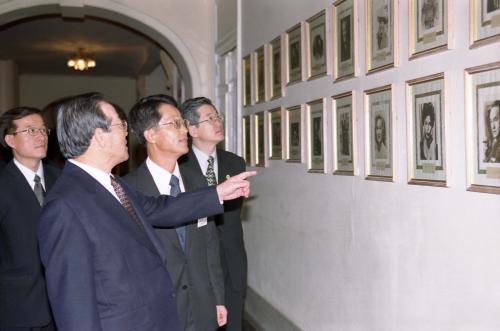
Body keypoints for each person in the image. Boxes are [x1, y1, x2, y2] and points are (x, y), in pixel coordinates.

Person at [37, 92, 255, 331]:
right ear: (99, 136)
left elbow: (160, 208)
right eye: (121, 125)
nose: (127, 133)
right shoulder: (66, 205)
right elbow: (74, 305)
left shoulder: (113, 184)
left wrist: (217, 194)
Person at [123, 94, 227, 331]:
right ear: (150, 134)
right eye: (174, 124)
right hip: (158, 311)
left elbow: (210, 246)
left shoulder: (199, 182)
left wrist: (218, 298)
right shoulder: (128, 189)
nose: (185, 131)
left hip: (202, 305)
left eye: (183, 123)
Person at [179, 97, 247, 331]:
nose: (218, 122)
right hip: (198, 258)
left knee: (233, 320)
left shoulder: (235, 163)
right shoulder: (179, 166)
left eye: (218, 117)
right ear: (192, 128)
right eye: (210, 119)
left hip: (231, 255)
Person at [0, 107, 60, 331]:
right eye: (30, 130)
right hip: (18, 310)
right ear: (10, 140)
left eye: (43, 130)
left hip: (63, 306)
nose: (41, 135)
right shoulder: (3, 186)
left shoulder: (63, 180)